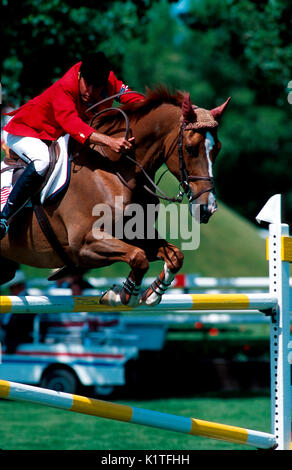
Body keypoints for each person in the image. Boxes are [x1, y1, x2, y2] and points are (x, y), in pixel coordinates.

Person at [0, 51, 143, 240]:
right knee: (42, 160)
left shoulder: (108, 81)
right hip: (23, 131)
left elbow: (133, 98)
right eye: (88, 84)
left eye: (97, 87)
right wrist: (110, 141)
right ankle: (4, 217)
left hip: (54, 135)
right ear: (79, 75)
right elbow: (74, 126)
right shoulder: (64, 88)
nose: (91, 92)